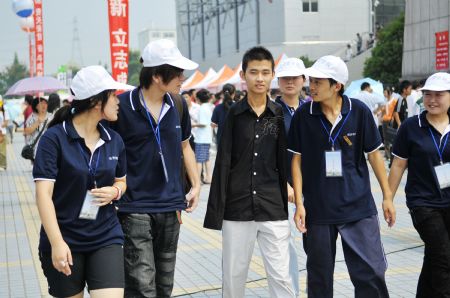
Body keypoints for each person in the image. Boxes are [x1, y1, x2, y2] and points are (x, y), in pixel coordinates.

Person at [288, 55, 395, 298]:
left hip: (358, 207)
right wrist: (300, 205)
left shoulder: (359, 112)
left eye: (317, 82)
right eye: (310, 81)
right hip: (318, 210)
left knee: (371, 274)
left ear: (336, 86)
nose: (311, 87)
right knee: (319, 278)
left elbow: (375, 156)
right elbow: (296, 160)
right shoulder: (303, 115)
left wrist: (387, 197)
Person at [33, 65, 133, 298]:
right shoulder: (54, 139)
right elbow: (43, 195)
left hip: (105, 235)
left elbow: (122, 181)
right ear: (97, 102)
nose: (119, 102)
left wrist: (115, 192)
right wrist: (57, 243)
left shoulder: (114, 139)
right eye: (113, 96)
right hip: (63, 239)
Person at [110, 39, 200, 297]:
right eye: (178, 73)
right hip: (134, 207)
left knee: (164, 285)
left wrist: (195, 185)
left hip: (171, 207)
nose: (183, 78)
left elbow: (185, 147)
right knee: (141, 284)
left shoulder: (178, 105)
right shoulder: (122, 106)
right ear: (158, 76)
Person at [204, 46, 295, 297]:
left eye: (265, 72)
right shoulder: (233, 114)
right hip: (238, 207)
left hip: (272, 205)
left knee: (282, 277)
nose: (260, 78)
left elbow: (285, 158)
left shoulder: (278, 115)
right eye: (254, 72)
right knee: (233, 277)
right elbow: (223, 162)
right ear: (243, 75)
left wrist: (293, 189)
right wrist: (216, 212)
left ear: (272, 75)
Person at [388, 72, 450, 298]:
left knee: (435, 255)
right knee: (443, 256)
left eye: (439, 95)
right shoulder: (411, 126)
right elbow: (398, 165)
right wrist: (387, 198)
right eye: (427, 95)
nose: (432, 100)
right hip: (423, 202)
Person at [274, 57, 308, 296]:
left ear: (303, 80)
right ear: (278, 80)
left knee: (315, 244)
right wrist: (284, 184)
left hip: (312, 188)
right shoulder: (270, 113)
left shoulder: (313, 109)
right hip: (281, 189)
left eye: (294, 77)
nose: (290, 82)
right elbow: (266, 153)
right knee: (284, 246)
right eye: (285, 78)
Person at [193, 89, 213, 184]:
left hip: (201, 138)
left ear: (197, 99)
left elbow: (203, 123)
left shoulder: (202, 108)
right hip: (207, 137)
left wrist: (193, 125)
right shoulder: (208, 107)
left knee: (199, 160)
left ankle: (197, 180)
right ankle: (208, 177)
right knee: (206, 159)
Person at [23, 97, 53, 161]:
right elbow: (27, 131)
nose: (44, 105)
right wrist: (38, 122)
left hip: (50, 147)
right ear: (36, 106)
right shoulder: (32, 117)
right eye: (41, 103)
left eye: (45, 103)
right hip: (36, 149)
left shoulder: (51, 116)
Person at [0, 101, 7, 170]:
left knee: (2, 151)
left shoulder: (4, 112)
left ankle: (3, 165)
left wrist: (2, 125)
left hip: (2, 133)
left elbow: (6, 122)